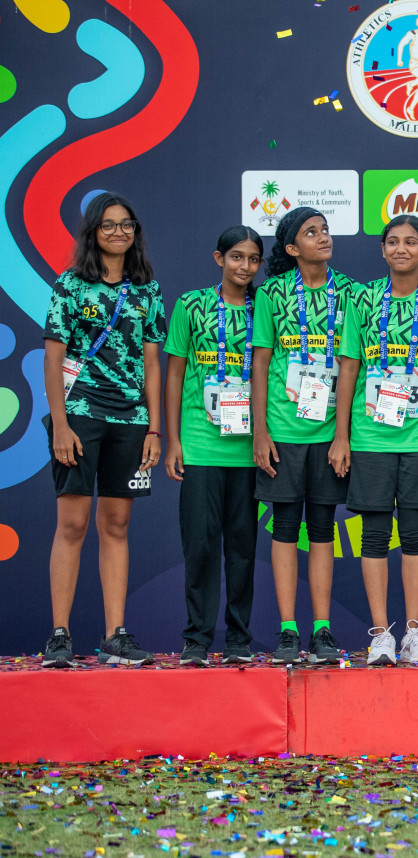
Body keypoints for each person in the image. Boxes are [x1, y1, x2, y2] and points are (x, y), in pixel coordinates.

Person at [330, 214, 418, 666]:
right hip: (369, 438)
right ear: (382, 250)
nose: (401, 248)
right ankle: (380, 634)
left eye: (411, 241)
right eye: (393, 241)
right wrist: (341, 436)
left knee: (413, 535)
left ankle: (412, 632)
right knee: (373, 535)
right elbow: (348, 368)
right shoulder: (363, 299)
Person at [41, 193, 166, 669]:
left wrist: (155, 429)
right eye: (109, 225)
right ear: (93, 232)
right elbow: (54, 357)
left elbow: (153, 362)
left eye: (127, 224)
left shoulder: (147, 288)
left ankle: (116, 634)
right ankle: (59, 635)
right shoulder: (70, 285)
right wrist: (61, 424)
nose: (119, 232)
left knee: (116, 526)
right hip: (80, 413)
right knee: (71, 525)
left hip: (131, 421)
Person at [252, 207, 359, 665]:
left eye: (325, 230)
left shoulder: (351, 292)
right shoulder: (272, 293)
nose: (323, 237)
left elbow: (356, 364)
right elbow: (258, 363)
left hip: (330, 432)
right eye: (311, 233)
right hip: (284, 429)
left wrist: (343, 436)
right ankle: (287, 631)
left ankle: (321, 630)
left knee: (321, 531)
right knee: (283, 529)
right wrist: (261, 430)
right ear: (293, 248)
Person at [163, 227, 264, 665]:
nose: (245, 267)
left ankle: (239, 639)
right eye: (237, 257)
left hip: (249, 450)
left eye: (254, 259)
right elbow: (173, 375)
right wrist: (172, 440)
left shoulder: (267, 308)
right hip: (201, 445)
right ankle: (197, 640)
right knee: (201, 547)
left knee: (242, 549)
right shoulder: (191, 305)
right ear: (218, 258)